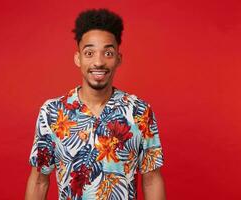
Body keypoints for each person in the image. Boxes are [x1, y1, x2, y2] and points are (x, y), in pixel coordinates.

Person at [25, 8, 166, 200]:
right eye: (89, 52)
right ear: (78, 58)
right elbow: (39, 180)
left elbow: (151, 179)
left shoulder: (139, 111)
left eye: (108, 53)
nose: (98, 62)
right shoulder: (52, 112)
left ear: (118, 58)